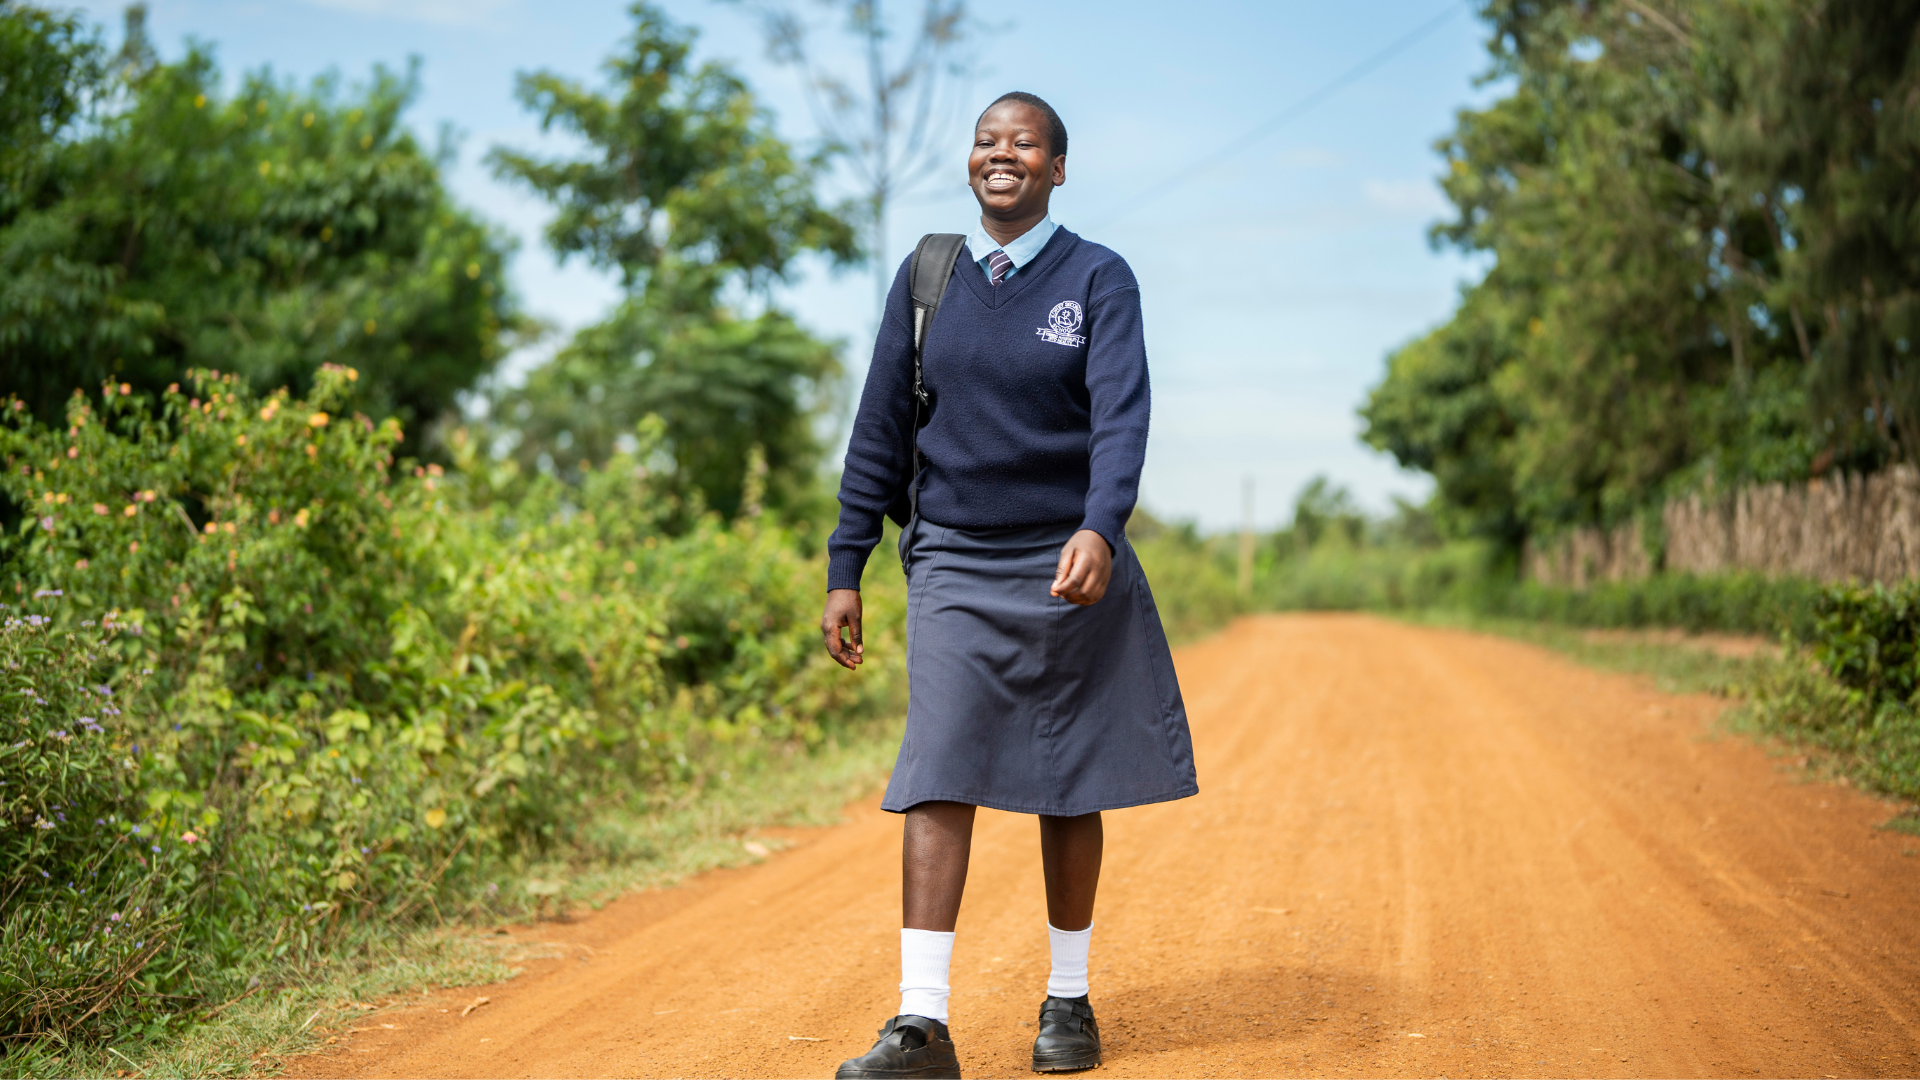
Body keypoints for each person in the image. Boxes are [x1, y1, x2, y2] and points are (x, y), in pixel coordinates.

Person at [822, 90, 1197, 1079]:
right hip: (950, 557)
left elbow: (1122, 419)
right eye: (988, 140)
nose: (1002, 154)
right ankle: (921, 1024)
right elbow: (878, 433)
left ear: (1056, 169)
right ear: (972, 161)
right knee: (938, 764)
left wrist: (1099, 526)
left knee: (1068, 776)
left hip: (1065, 560)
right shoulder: (929, 277)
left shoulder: (1098, 280)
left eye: (1024, 143)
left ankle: (1068, 1001)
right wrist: (846, 563)